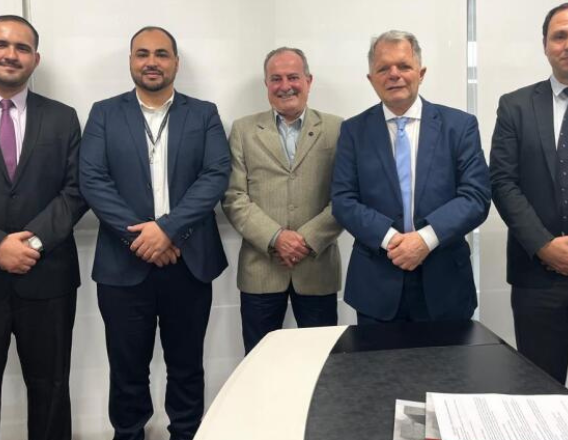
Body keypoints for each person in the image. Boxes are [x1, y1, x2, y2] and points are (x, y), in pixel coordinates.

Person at [79, 26, 230, 439]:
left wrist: (168, 231)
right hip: (123, 265)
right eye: (142, 53)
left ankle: (186, 432)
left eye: (161, 54)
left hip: (188, 261)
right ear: (131, 61)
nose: (152, 62)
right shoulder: (104, 113)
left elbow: (215, 175)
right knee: (127, 369)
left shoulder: (204, 114)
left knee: (187, 366)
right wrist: (142, 239)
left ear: (175, 63)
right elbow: (93, 180)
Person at [332, 30, 490, 325]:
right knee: (377, 359)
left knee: (449, 358)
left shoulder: (459, 126)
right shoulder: (353, 131)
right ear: (371, 79)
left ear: (421, 73)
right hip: (377, 285)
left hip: (446, 283)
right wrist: (394, 241)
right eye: (383, 68)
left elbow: (476, 197)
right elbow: (343, 200)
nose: (394, 74)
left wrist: (425, 240)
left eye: (404, 66)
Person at [222, 47, 343, 354]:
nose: (285, 85)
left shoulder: (337, 129)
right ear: (266, 84)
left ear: (308, 81)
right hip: (261, 269)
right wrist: (277, 237)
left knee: (321, 363)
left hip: (317, 267)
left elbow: (345, 197)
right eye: (276, 78)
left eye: (293, 77)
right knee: (259, 362)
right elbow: (234, 196)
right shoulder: (243, 130)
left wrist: (305, 240)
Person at [0, 15, 87, 440]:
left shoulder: (63, 118)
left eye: (22, 47)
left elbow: (77, 191)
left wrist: (29, 243)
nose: (10, 54)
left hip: (47, 276)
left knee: (51, 390)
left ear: (36, 59)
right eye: (3, 44)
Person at [490, 3, 568, 385]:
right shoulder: (515, 106)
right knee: (541, 392)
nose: (567, 44)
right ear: (545, 45)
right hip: (537, 278)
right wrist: (544, 246)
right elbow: (503, 182)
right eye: (560, 36)